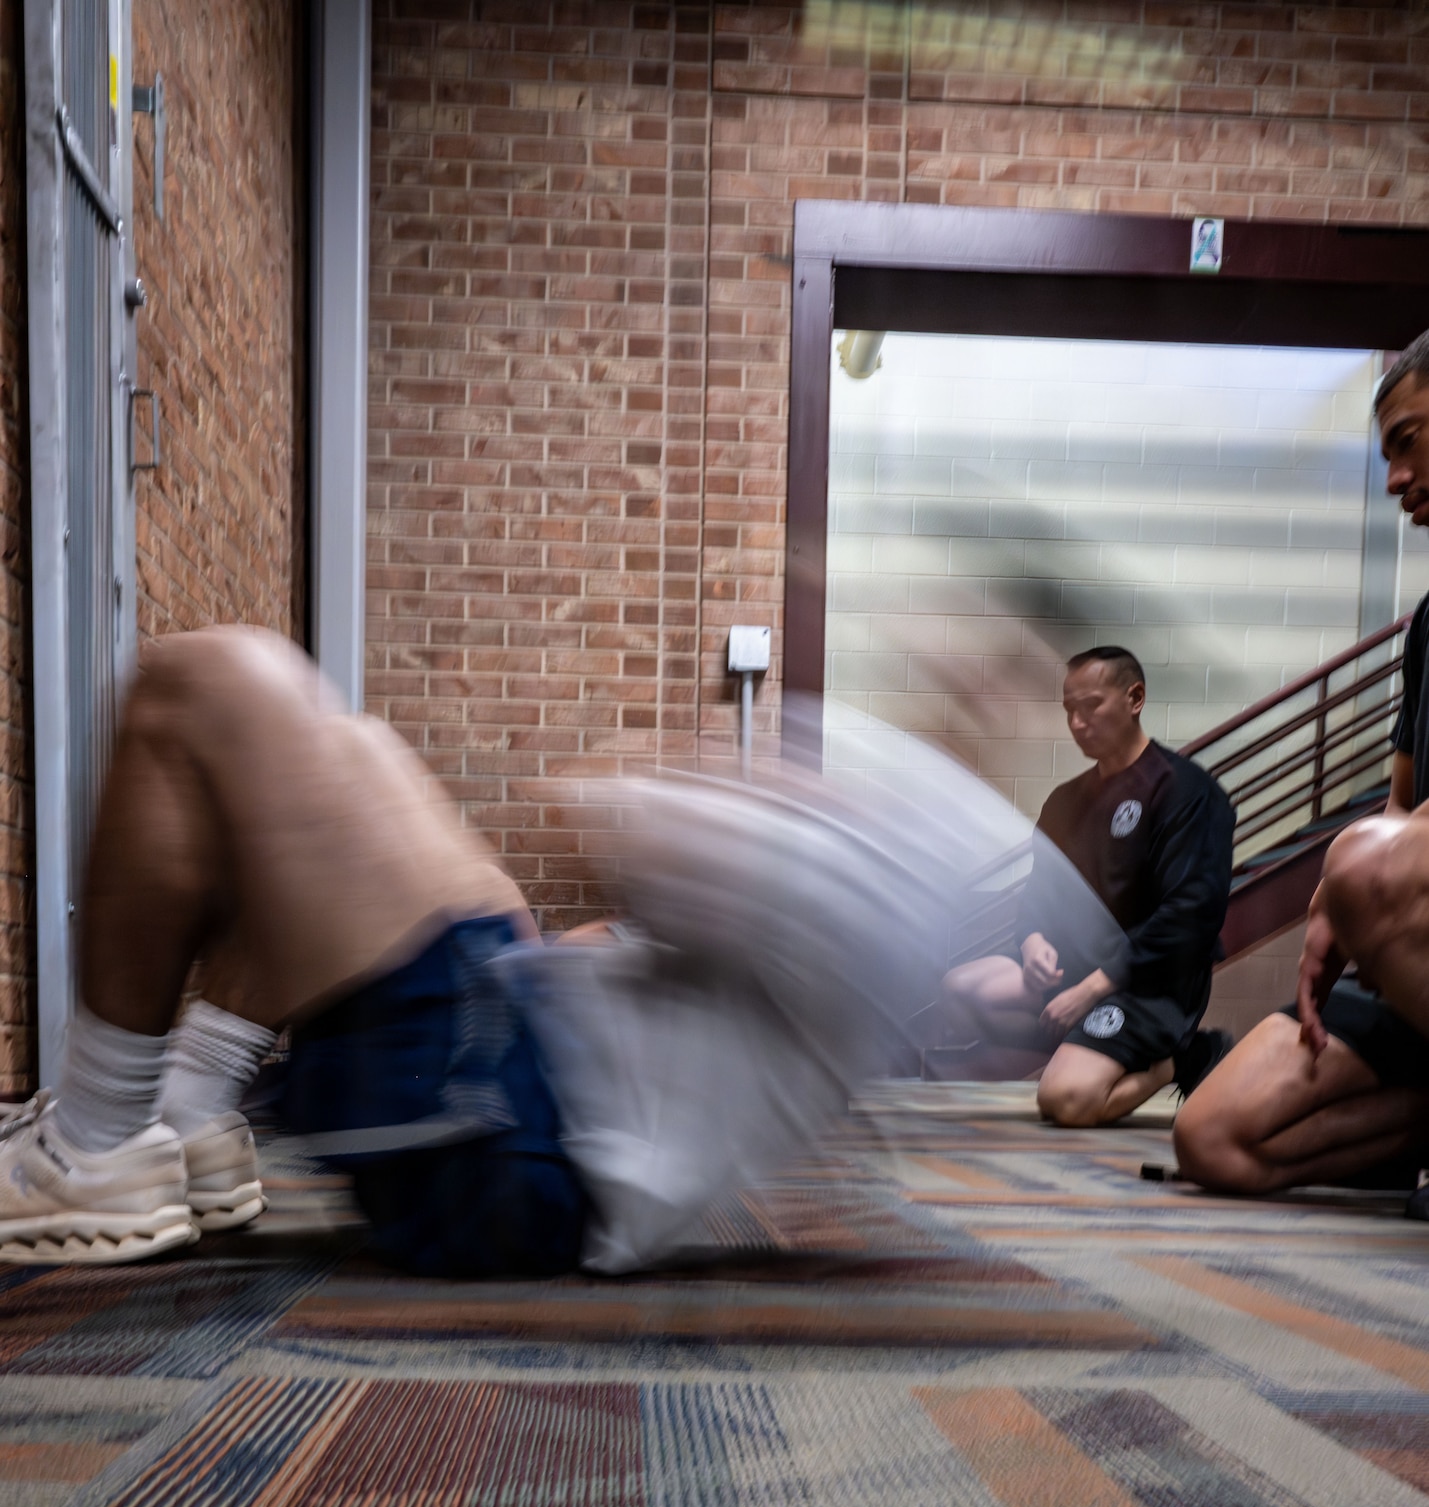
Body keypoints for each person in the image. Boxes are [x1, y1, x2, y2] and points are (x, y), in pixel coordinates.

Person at [0, 627, 1005, 1275]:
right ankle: (189, 1116)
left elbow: (629, 836)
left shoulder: (914, 853)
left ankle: (95, 1142)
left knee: (206, 680)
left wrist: (721, 793)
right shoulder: (907, 837)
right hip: (518, 1082)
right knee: (349, 751)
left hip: (504, 1146)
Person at [1177, 334, 1429, 1197]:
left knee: (1357, 861)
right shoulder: (1427, 625)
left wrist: (1358, 877)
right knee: (1210, 1139)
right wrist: (1335, 908)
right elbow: (1402, 806)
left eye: (1406, 442)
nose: (1393, 479)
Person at [941, 645, 1234, 1126]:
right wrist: (1033, 943)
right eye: (1069, 709)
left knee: (1066, 1102)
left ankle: (1182, 1057)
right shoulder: (1065, 801)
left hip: (1148, 985)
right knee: (961, 991)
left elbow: (1190, 915)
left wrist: (1096, 986)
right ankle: (1087, 1043)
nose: (1077, 723)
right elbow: (1038, 896)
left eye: (1092, 705)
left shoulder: (1187, 792)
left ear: (1134, 698)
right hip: (1072, 971)